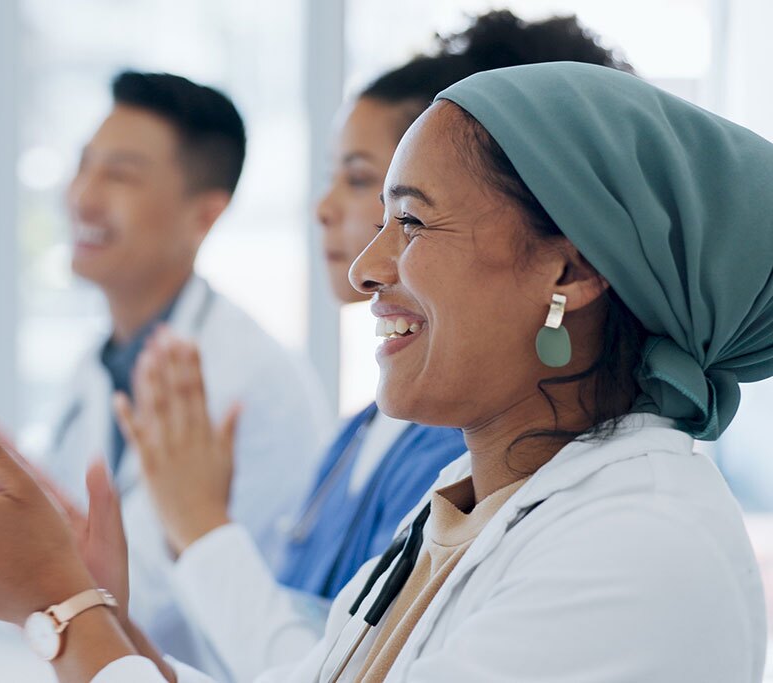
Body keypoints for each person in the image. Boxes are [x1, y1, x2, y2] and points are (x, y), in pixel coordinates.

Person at [0, 61, 772, 682]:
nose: (366, 266)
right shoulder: (465, 497)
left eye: (409, 218)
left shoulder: (637, 548)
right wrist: (97, 606)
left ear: (568, 268)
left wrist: (62, 604)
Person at [110, 12, 633, 682]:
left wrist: (193, 529)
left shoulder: (478, 456)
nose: (330, 214)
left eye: (401, 206)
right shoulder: (375, 429)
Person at [0, 71, 332, 669]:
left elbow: (142, 602)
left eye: (120, 175)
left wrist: (0, 523)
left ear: (204, 215)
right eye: (84, 165)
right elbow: (79, 553)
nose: (83, 195)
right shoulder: (101, 361)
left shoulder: (246, 380)